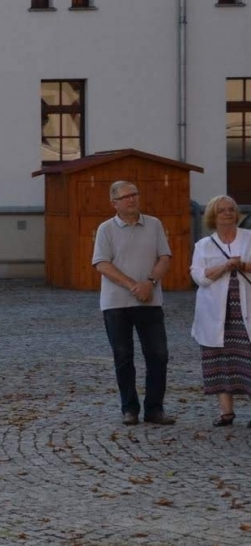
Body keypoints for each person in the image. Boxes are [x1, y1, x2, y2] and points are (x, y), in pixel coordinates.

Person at [91, 180, 174, 425]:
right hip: (116, 304)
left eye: (134, 195)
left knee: (158, 355)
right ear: (114, 203)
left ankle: (154, 409)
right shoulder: (106, 229)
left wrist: (149, 282)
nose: (132, 199)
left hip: (150, 301)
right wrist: (132, 286)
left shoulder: (154, 224)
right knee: (123, 356)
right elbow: (101, 264)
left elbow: (165, 257)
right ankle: (129, 408)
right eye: (126, 197)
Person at [189, 195, 251, 427]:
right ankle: (226, 413)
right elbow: (198, 277)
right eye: (222, 210)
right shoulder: (203, 245)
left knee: (248, 360)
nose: (227, 213)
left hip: (245, 310)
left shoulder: (249, 238)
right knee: (220, 361)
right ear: (213, 216)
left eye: (231, 209)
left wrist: (242, 265)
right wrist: (225, 266)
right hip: (216, 313)